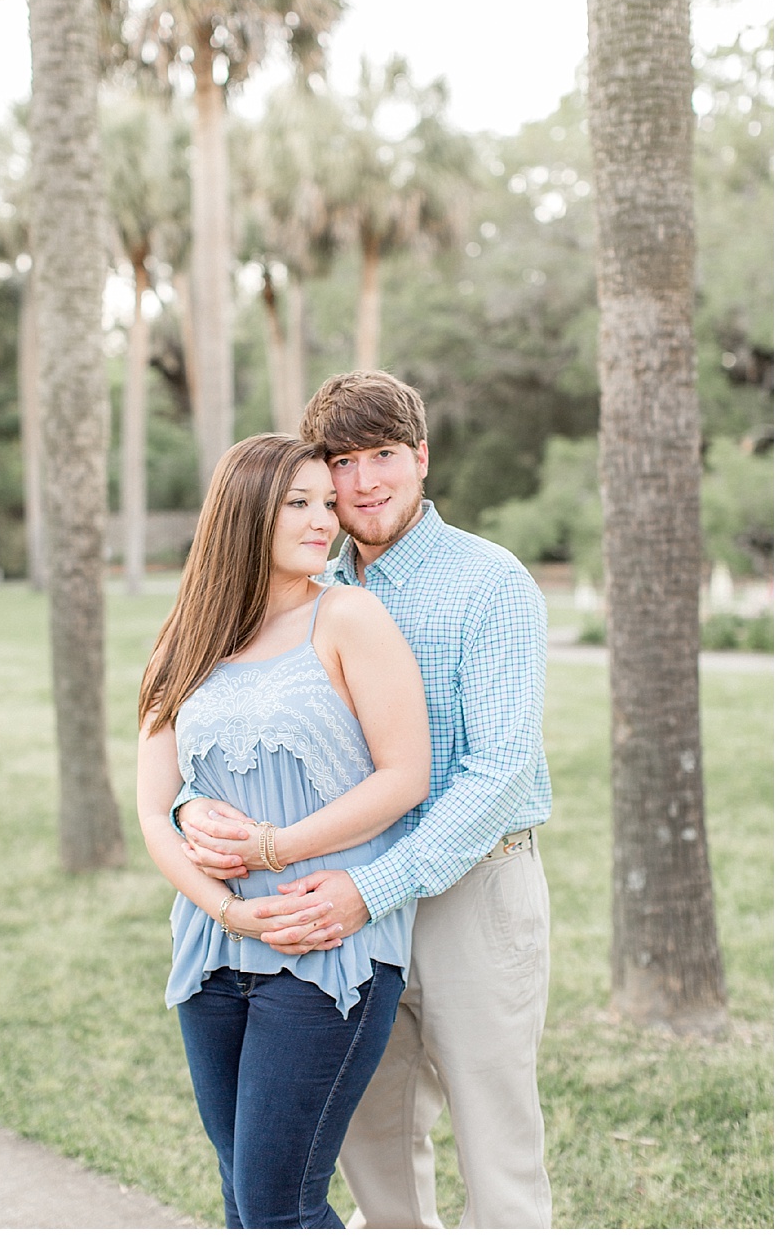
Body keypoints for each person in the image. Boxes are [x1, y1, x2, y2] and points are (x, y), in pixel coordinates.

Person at [179, 370, 554, 1228]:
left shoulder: (488, 583)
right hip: (338, 911)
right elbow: (222, 717)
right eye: (341, 462)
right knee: (375, 1160)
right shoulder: (301, 580)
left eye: (383, 455)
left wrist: (374, 888)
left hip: (468, 894)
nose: (361, 484)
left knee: (498, 1155)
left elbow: (498, 772)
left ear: (421, 458)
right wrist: (184, 812)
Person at [135, 433, 432, 1228]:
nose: (323, 521)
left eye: (325, 504)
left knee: (278, 1204)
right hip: (213, 949)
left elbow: (406, 777)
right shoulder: (183, 640)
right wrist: (228, 909)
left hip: (324, 946)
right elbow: (154, 808)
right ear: (245, 513)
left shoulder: (348, 617)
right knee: (242, 1194)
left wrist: (274, 850)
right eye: (299, 503)